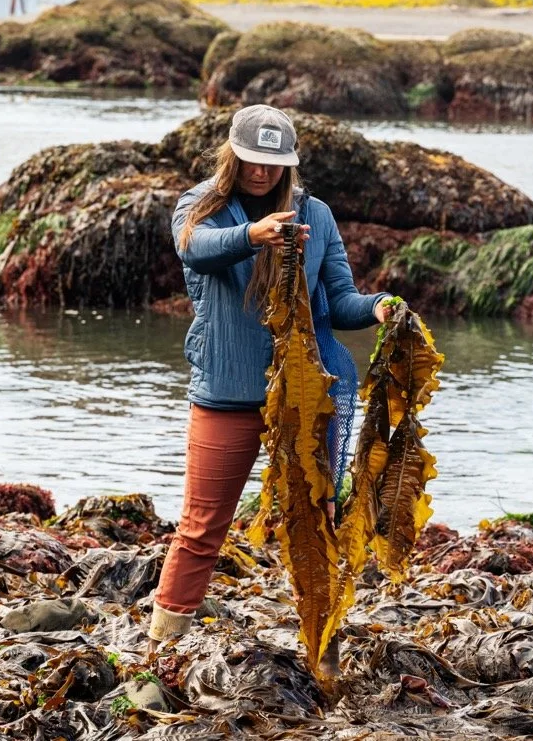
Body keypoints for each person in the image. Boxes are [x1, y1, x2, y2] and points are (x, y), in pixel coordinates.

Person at [146, 104, 391, 674]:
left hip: (305, 400)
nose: (262, 173)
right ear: (233, 154)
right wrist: (254, 235)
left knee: (318, 522)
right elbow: (194, 248)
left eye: (274, 164)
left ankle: (323, 648)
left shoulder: (317, 215)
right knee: (202, 526)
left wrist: (378, 307)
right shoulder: (199, 206)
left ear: (290, 164)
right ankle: (160, 649)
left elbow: (340, 300)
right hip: (226, 393)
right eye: (253, 161)